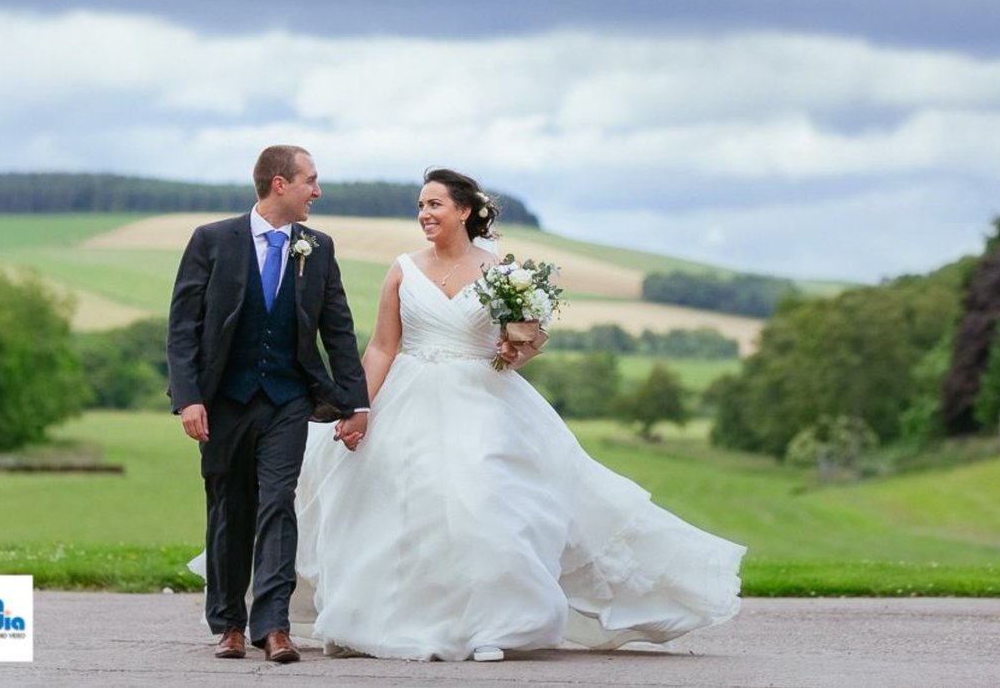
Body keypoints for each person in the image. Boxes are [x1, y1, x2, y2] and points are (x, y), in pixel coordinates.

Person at [290, 167, 746, 662]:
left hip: (482, 398)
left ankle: (491, 626)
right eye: (421, 206)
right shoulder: (402, 268)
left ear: (464, 211)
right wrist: (360, 408)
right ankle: (364, 621)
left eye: (435, 205)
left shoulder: (504, 272)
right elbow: (380, 348)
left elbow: (527, 339)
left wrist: (518, 349)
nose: (424, 214)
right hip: (408, 393)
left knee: (484, 501)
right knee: (386, 503)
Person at [167, 145, 369, 663]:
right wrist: (188, 398)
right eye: (311, 180)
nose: (317, 191)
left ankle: (274, 625)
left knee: (278, 502)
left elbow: (338, 331)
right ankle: (230, 623)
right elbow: (183, 328)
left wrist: (355, 405)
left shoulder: (317, 248)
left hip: (288, 399)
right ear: (280, 184)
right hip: (224, 401)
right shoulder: (212, 241)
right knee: (229, 509)